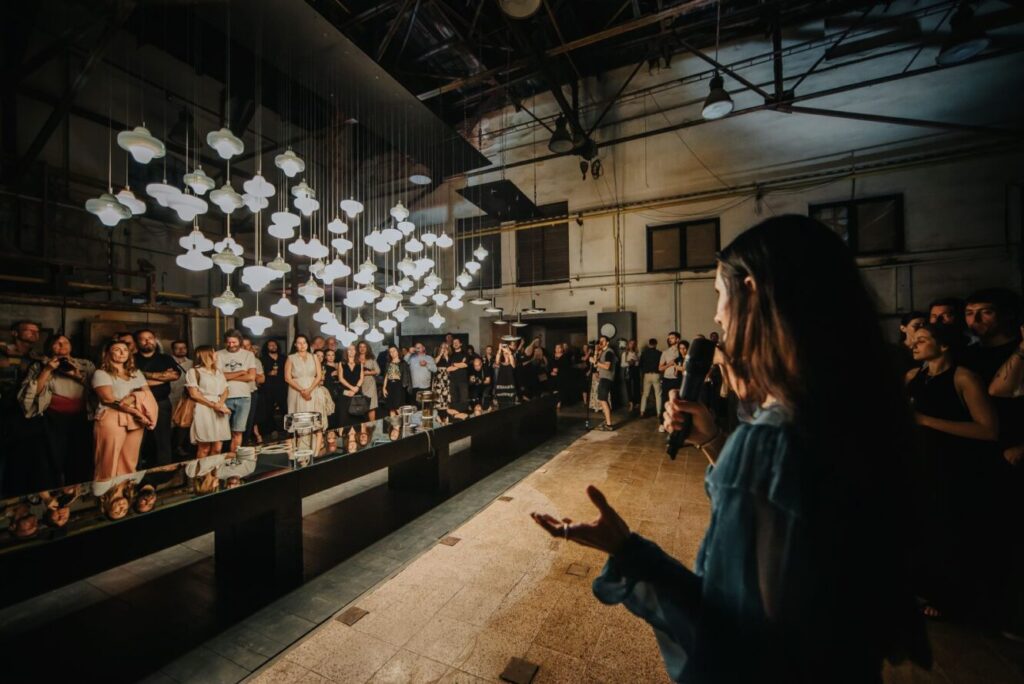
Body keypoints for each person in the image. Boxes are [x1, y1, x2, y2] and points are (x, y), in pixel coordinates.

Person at [531, 215, 930, 682]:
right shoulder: (859, 411)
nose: (718, 314)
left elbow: (734, 633)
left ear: (752, 288)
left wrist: (631, 553)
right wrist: (717, 441)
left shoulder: (773, 439)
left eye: (720, 295)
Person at [906, 323, 999, 619]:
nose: (914, 345)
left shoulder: (963, 378)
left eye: (922, 340)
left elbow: (989, 430)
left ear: (943, 345)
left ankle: (950, 600)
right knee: (921, 528)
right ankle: (921, 591)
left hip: (954, 465)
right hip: (919, 462)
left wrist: (926, 421)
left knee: (951, 530)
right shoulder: (912, 376)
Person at [18, 333, 95, 486]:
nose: (62, 345)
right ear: (50, 346)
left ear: (71, 346)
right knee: (51, 457)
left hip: (80, 418)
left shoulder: (85, 365)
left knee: (78, 456)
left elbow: (98, 390)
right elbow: (33, 392)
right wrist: (47, 370)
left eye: (65, 342)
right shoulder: (38, 366)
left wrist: (76, 375)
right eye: (57, 342)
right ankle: (50, 493)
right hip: (53, 418)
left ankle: (75, 491)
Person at [91, 341, 157, 481]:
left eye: (125, 350)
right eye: (117, 349)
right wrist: (136, 411)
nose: (122, 353)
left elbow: (147, 395)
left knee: (129, 462)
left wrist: (132, 397)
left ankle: (123, 497)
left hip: (135, 421)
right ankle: (107, 499)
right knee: (108, 464)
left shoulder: (135, 373)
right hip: (112, 417)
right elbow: (108, 400)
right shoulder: (101, 373)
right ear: (108, 353)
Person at [133, 330, 180, 468]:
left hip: (161, 403)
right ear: (137, 342)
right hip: (137, 405)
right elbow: (131, 380)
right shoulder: (131, 359)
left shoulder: (165, 358)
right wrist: (161, 376)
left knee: (163, 438)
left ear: (155, 340)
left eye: (150, 338)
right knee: (138, 439)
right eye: (143, 339)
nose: (147, 341)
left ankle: (163, 470)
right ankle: (136, 473)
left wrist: (143, 377)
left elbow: (174, 376)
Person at [184, 346, 231, 459]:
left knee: (218, 446)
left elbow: (226, 390)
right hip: (203, 408)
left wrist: (220, 404)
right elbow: (194, 394)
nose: (216, 355)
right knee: (204, 448)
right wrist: (214, 405)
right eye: (214, 353)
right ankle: (202, 474)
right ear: (206, 355)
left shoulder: (218, 371)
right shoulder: (194, 371)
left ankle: (213, 474)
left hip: (219, 405)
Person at [215, 330, 257, 455]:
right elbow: (217, 376)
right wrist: (240, 372)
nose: (231, 345)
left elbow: (251, 377)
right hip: (223, 397)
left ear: (240, 341)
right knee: (220, 433)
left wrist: (227, 376)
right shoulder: (218, 354)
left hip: (244, 397)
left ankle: (234, 460)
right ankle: (216, 462)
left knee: (238, 431)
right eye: (228, 342)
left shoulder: (248, 355)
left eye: (234, 342)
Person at [285, 335, 325, 450]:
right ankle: (299, 449)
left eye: (304, 343)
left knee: (313, 419)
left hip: (313, 390)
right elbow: (287, 378)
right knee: (298, 418)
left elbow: (319, 376)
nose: (302, 345)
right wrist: (302, 390)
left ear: (308, 344)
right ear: (295, 345)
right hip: (295, 390)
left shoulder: (314, 357)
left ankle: (313, 450)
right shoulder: (291, 358)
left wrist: (309, 390)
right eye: (299, 343)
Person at [168, 340, 193, 458]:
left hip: (185, 398)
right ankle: (170, 449)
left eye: (183, 348)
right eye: (178, 348)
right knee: (170, 425)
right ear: (173, 350)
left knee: (183, 423)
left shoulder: (192, 363)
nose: (181, 350)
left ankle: (179, 447)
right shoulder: (167, 362)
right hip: (170, 396)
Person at [258, 339, 287, 439]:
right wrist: (268, 374)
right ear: (267, 347)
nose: (273, 347)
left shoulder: (284, 358)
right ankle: (272, 430)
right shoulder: (263, 359)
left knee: (285, 408)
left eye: (274, 345)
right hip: (268, 387)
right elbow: (259, 374)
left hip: (282, 387)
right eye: (270, 345)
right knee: (268, 410)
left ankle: (287, 429)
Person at [241, 337, 265, 446]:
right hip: (235, 393)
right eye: (243, 345)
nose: (245, 348)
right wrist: (250, 375)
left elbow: (261, 379)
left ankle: (245, 443)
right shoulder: (234, 360)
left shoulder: (256, 361)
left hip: (251, 392)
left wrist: (250, 375)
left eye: (248, 346)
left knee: (249, 420)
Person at [657, 331, 682, 432]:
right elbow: (660, 368)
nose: (670, 339)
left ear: (677, 339)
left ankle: (677, 424)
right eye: (669, 338)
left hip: (679, 380)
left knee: (678, 402)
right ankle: (662, 423)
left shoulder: (682, 351)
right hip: (667, 380)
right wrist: (670, 364)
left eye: (672, 337)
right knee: (665, 401)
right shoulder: (665, 352)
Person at [337, 344, 364, 427]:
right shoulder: (341, 363)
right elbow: (340, 378)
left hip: (357, 392)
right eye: (349, 349)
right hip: (345, 392)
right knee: (343, 417)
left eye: (353, 349)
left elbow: (361, 378)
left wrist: (356, 388)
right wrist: (352, 388)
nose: (351, 351)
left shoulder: (360, 364)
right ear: (346, 351)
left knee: (357, 418)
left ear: (356, 351)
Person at [594, 335, 616, 431]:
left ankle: (609, 424)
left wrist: (594, 362)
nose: (600, 342)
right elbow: (598, 362)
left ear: (607, 342)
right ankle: (607, 422)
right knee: (602, 400)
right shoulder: (603, 352)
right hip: (604, 378)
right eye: (600, 341)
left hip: (607, 379)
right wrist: (596, 352)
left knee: (603, 400)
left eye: (603, 341)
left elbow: (607, 367)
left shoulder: (609, 352)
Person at [381, 345, 411, 416]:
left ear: (397, 351)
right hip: (390, 386)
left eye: (394, 351)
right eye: (390, 352)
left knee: (398, 408)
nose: (392, 353)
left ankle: (404, 424)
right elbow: (386, 376)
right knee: (391, 408)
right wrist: (384, 388)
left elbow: (406, 378)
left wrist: (405, 387)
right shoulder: (388, 363)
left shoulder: (403, 363)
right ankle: (395, 427)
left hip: (399, 386)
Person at [356, 341, 379, 422]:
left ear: (367, 348)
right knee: (359, 406)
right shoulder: (355, 358)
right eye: (360, 347)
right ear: (358, 348)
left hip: (370, 384)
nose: (362, 348)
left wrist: (367, 373)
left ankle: (372, 425)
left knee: (371, 406)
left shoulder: (371, 358)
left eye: (364, 347)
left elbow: (378, 371)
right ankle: (362, 428)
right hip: (358, 384)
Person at [639, 338, 662, 418]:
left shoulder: (644, 353)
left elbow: (640, 365)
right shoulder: (659, 353)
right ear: (656, 344)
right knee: (658, 395)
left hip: (647, 375)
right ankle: (659, 413)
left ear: (649, 344)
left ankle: (642, 412)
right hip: (656, 375)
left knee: (645, 394)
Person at [448, 338, 471, 411]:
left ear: (460, 344)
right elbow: (448, 369)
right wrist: (460, 364)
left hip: (463, 381)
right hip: (453, 382)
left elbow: (465, 365)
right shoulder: (450, 355)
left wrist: (453, 364)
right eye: (454, 342)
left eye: (457, 342)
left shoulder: (465, 354)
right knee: (454, 401)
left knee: (464, 401)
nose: (455, 343)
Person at [493, 343, 517, 409]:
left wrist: (508, 351)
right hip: (500, 390)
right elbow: (497, 361)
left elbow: (511, 359)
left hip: (510, 390)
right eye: (504, 353)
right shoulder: (500, 364)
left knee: (511, 407)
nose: (505, 353)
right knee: (501, 408)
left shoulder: (512, 363)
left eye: (507, 353)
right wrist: (500, 349)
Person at [432, 342, 454, 414]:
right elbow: (434, 362)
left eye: (446, 347)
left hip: (446, 377)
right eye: (442, 347)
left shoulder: (451, 356)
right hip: (438, 378)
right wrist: (440, 354)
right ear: (440, 348)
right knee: (438, 394)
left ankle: (446, 411)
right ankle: (438, 412)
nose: (444, 349)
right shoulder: (437, 355)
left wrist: (446, 356)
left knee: (446, 393)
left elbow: (450, 366)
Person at [621, 339, 640, 412]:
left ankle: (637, 403)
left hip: (635, 371)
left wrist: (635, 362)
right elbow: (622, 364)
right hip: (628, 371)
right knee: (629, 388)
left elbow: (638, 364)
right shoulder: (624, 354)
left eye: (634, 343)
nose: (632, 345)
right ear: (628, 344)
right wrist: (629, 363)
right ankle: (631, 403)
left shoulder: (637, 353)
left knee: (636, 387)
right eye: (631, 343)